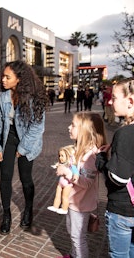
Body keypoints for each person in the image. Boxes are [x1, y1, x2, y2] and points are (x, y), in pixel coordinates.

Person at [0, 60, 47, 235]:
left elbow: (37, 126)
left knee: (25, 178)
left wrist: (23, 148)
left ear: (19, 79)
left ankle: (28, 209)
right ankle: (6, 215)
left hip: (28, 139)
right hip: (7, 136)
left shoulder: (34, 94)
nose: (3, 80)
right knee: (5, 176)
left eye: (8, 77)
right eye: (3, 76)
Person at [57, 112, 106, 258]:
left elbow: (86, 182)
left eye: (73, 125)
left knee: (78, 238)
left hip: (81, 204)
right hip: (74, 201)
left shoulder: (89, 156)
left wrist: (67, 173)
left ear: (84, 131)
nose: (69, 127)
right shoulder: (79, 149)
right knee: (72, 232)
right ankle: (73, 254)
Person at [96, 79, 134, 258]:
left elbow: (118, 178)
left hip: (123, 210)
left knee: (119, 255)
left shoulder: (125, 133)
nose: (110, 102)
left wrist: (101, 160)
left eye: (115, 97)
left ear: (130, 101)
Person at [47, 145, 79, 215]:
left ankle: (64, 208)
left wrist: (75, 176)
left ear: (68, 156)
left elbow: (76, 172)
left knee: (64, 196)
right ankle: (55, 206)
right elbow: (58, 166)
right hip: (60, 183)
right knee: (57, 195)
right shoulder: (61, 164)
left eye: (62, 156)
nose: (60, 158)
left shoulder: (70, 165)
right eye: (59, 156)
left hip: (67, 184)